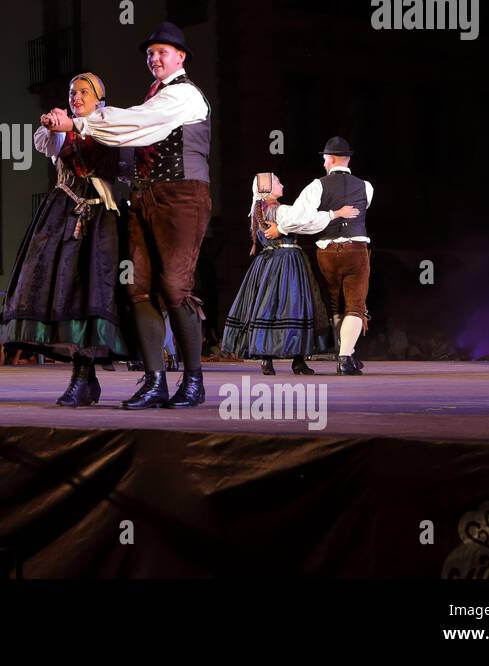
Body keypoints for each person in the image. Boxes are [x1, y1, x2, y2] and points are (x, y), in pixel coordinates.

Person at [45, 22, 211, 408]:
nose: (154, 58)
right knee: (138, 288)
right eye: (150, 53)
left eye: (162, 52)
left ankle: (193, 380)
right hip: (143, 198)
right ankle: (155, 381)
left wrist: (80, 123)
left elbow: (136, 123)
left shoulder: (184, 96)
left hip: (182, 196)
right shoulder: (155, 96)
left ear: (181, 57)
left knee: (174, 288)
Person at [1, 72, 128, 406]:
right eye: (72, 92)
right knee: (65, 291)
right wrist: (54, 125)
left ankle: (93, 376)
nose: (76, 96)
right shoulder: (61, 131)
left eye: (84, 91)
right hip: (64, 214)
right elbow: (51, 143)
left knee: (93, 292)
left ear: (99, 98)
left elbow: (108, 139)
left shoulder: (109, 123)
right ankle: (81, 376)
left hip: (100, 216)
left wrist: (70, 124)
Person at [223, 173, 358, 374]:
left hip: (266, 263)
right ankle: (298, 359)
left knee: (268, 307)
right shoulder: (281, 210)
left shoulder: (257, 211)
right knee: (295, 306)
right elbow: (304, 222)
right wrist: (334, 214)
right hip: (287, 261)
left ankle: (268, 360)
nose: (282, 183)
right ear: (267, 188)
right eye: (277, 181)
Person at [278, 137, 375, 375]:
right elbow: (363, 210)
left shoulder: (317, 186)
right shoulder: (366, 186)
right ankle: (345, 357)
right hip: (356, 250)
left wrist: (324, 217)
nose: (324, 165)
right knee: (355, 305)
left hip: (328, 252)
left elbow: (293, 219)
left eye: (324, 160)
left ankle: (345, 353)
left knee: (334, 303)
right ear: (348, 159)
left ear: (330, 160)